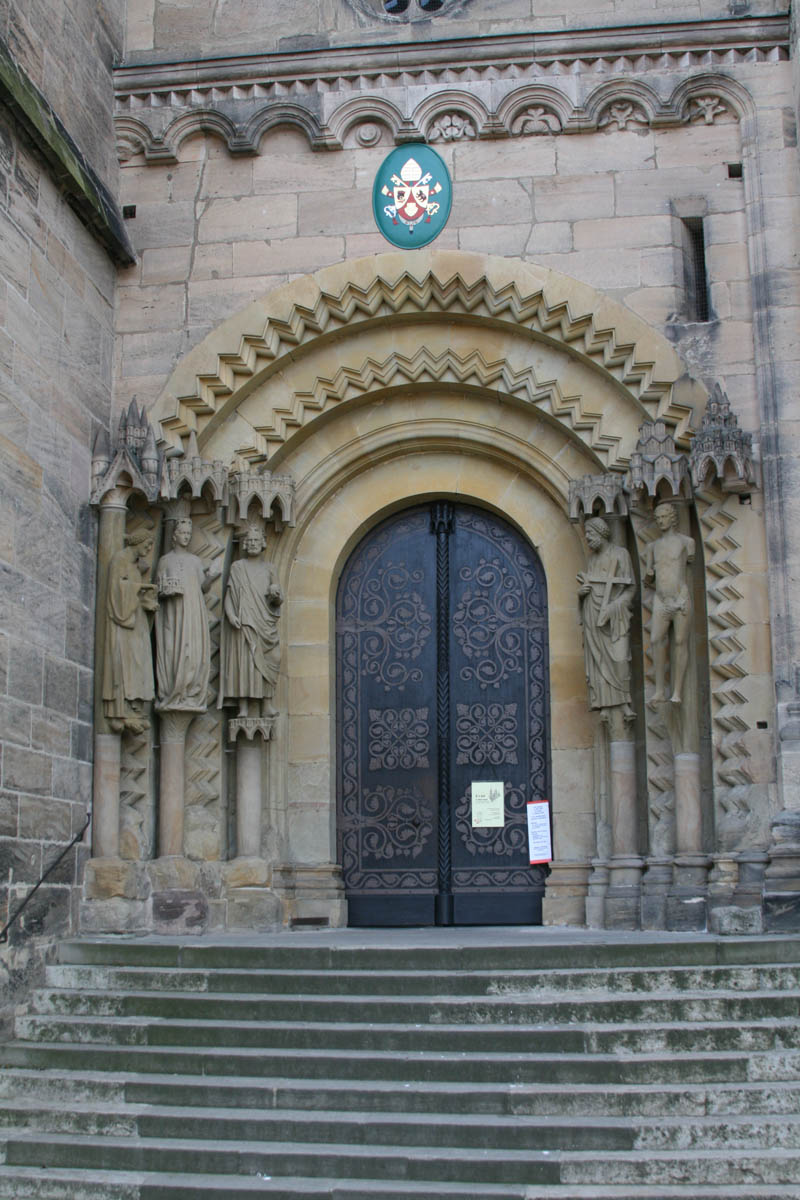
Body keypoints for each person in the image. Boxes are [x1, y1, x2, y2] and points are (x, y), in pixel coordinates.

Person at [219, 524, 284, 718]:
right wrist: (231, 614)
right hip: (245, 622)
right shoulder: (238, 567)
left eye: (257, 540)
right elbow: (230, 595)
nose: (254, 544)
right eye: (251, 541)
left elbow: (278, 597)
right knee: (246, 662)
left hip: (265, 623)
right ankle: (244, 706)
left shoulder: (270, 568)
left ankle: (267, 703)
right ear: (245, 544)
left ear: (263, 543)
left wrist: (275, 595)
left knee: (273, 658)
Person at [577, 517, 636, 727]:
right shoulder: (592, 560)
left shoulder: (621, 555)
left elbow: (631, 588)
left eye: (590, 534)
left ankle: (623, 702)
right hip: (593, 616)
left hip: (615, 618)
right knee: (599, 663)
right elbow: (590, 586)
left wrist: (614, 607)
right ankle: (606, 704)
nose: (588, 539)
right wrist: (581, 594)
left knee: (620, 660)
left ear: (601, 533)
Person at [155, 516, 217, 712]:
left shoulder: (195, 561)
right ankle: (173, 692)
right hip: (172, 614)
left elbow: (203, 588)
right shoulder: (165, 560)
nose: (186, 537)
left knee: (191, 650)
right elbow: (157, 588)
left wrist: (210, 578)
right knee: (172, 650)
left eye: (188, 534)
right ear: (174, 536)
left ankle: (189, 691)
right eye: (182, 533)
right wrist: (165, 591)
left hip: (192, 613)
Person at [102, 529, 157, 734]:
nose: (150, 548)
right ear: (137, 542)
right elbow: (117, 591)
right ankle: (119, 712)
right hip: (123, 624)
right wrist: (138, 589)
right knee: (124, 664)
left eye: (152, 545)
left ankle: (134, 708)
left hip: (136, 622)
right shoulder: (120, 560)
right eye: (147, 544)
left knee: (138, 663)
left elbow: (130, 589)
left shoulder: (134, 565)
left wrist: (146, 602)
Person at [642, 502, 695, 704]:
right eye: (657, 518)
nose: (660, 521)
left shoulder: (686, 542)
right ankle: (659, 690)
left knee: (680, 641)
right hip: (661, 599)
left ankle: (678, 691)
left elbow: (688, 563)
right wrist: (648, 575)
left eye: (664, 517)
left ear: (673, 518)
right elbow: (649, 577)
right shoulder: (652, 547)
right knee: (656, 640)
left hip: (681, 597)